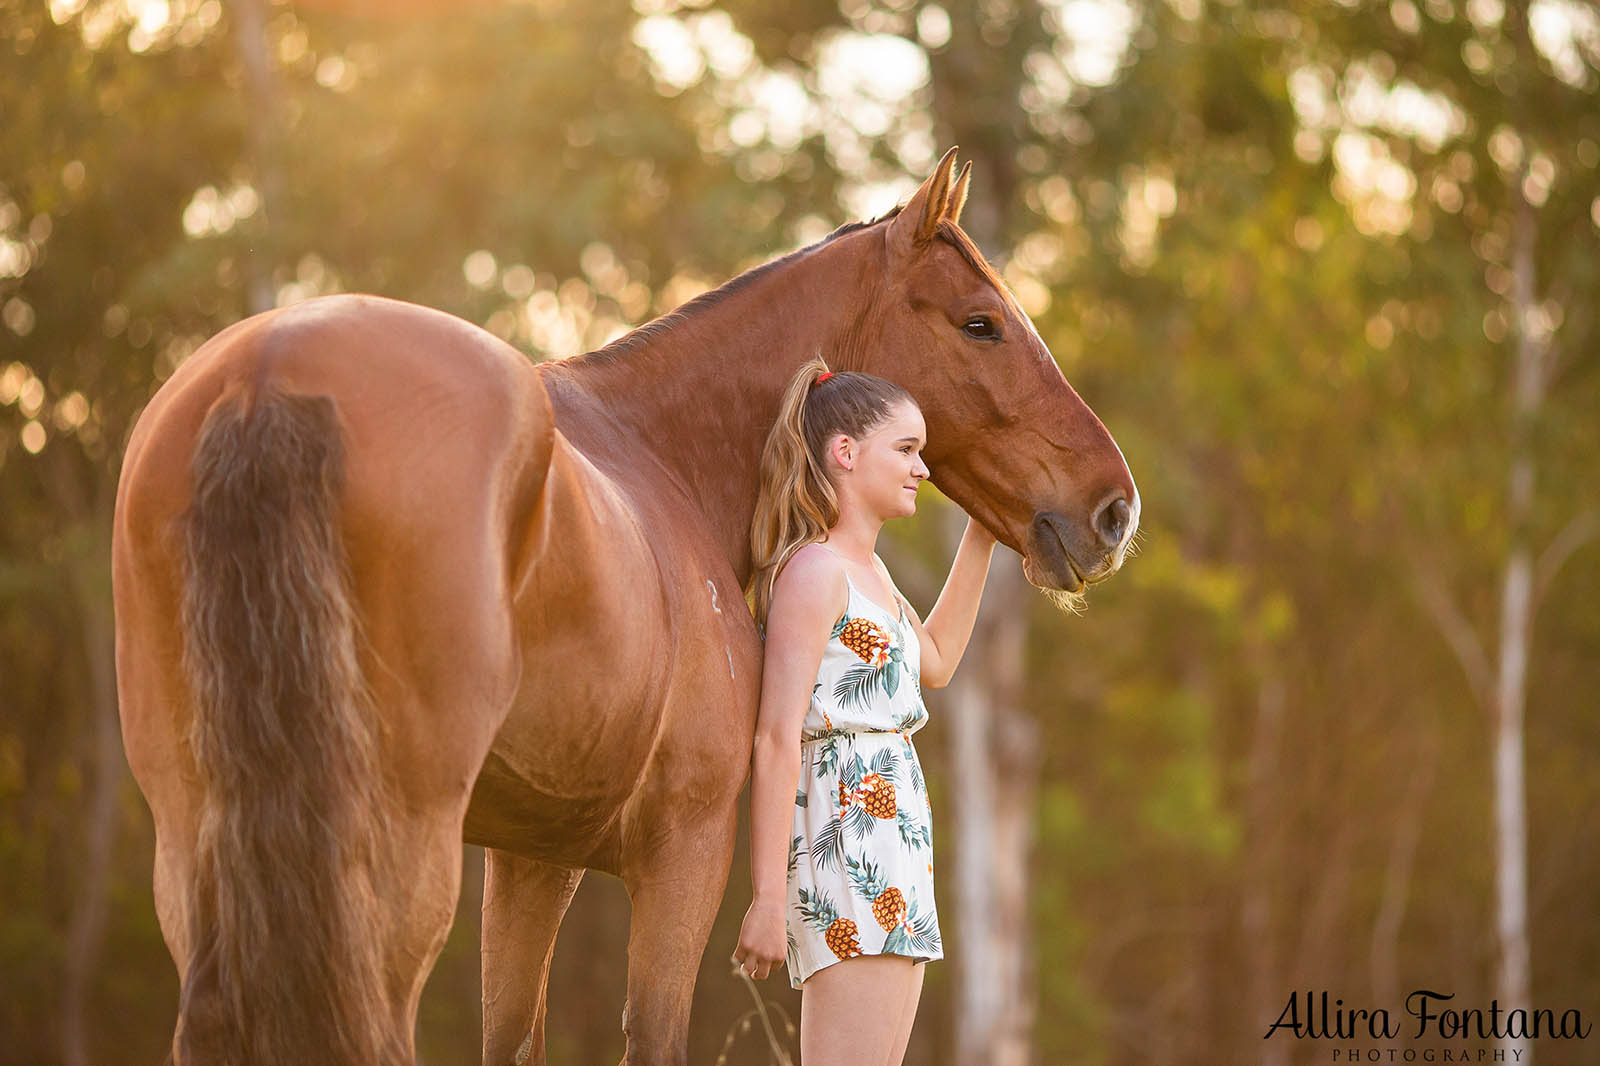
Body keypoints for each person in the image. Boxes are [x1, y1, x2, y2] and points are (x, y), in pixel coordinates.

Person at [732, 357, 997, 1065]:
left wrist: (983, 533)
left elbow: (935, 660)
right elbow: (776, 737)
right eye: (906, 450)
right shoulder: (815, 574)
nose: (923, 469)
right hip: (847, 843)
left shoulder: (871, 574)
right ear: (844, 453)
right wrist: (766, 898)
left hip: (898, 843)